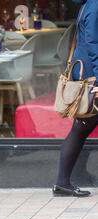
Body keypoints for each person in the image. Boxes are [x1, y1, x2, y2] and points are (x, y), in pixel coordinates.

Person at [53, 0, 98, 197]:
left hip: (87, 71)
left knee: (83, 127)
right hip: (90, 74)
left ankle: (65, 180)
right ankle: (62, 182)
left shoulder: (89, 4)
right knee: (82, 126)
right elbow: (93, 44)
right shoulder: (95, 5)